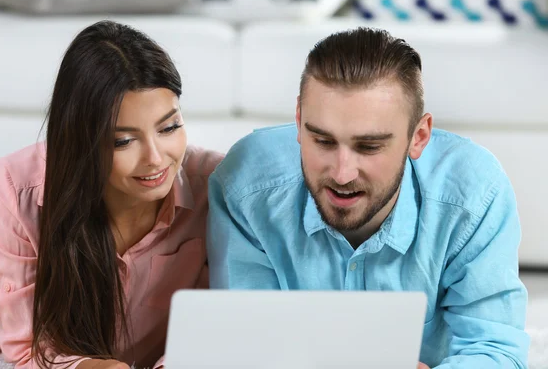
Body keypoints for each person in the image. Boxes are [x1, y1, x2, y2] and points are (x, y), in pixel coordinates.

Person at [207, 27, 529, 368]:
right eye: (323, 141)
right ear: (299, 121)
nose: (342, 174)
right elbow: (247, 345)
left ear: (418, 137)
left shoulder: (474, 195)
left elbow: (496, 351)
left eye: (369, 146)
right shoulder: (246, 187)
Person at [0, 20, 223, 369]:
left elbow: (212, 323)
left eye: (169, 127)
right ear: (81, 139)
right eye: (122, 141)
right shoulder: (17, 187)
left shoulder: (215, 184)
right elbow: (25, 347)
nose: (156, 159)